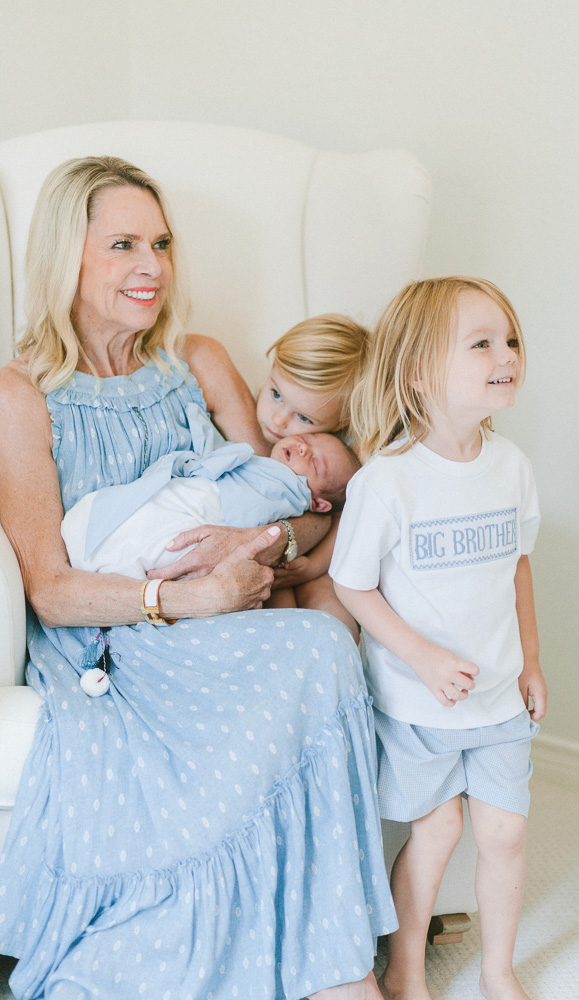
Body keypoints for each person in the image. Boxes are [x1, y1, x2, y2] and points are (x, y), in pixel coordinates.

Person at [0, 155, 396, 1000]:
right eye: (123, 246)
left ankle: (336, 965)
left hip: (225, 605)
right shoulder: (21, 394)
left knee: (321, 644)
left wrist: (253, 540)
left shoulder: (198, 360)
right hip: (114, 637)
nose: (152, 267)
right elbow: (49, 587)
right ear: (66, 256)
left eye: (162, 243)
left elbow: (294, 500)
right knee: (310, 655)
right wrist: (187, 597)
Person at [330, 276, 548, 1000]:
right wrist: (419, 657)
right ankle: (405, 969)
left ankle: (497, 968)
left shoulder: (510, 467)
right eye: (480, 343)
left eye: (509, 339)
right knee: (437, 830)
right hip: (418, 704)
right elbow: (350, 584)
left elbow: (516, 569)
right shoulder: (388, 482)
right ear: (420, 372)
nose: (505, 354)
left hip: (497, 700)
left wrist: (531, 664)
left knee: (504, 835)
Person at [62, 413, 360, 580]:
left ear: (319, 503)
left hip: (210, 514)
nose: (304, 449)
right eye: (307, 440)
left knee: (169, 543)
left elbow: (242, 520)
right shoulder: (259, 462)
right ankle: (103, 550)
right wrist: (198, 419)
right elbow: (216, 453)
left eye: (316, 463)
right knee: (141, 509)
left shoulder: (288, 493)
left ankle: (116, 563)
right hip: (187, 494)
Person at [250, 314, 368, 626]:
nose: (279, 421)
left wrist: (314, 566)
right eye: (275, 394)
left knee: (327, 600)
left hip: (317, 558)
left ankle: (341, 661)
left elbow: (350, 517)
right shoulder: (240, 420)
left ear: (341, 423)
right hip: (267, 561)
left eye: (304, 418)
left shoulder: (342, 457)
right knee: (276, 602)